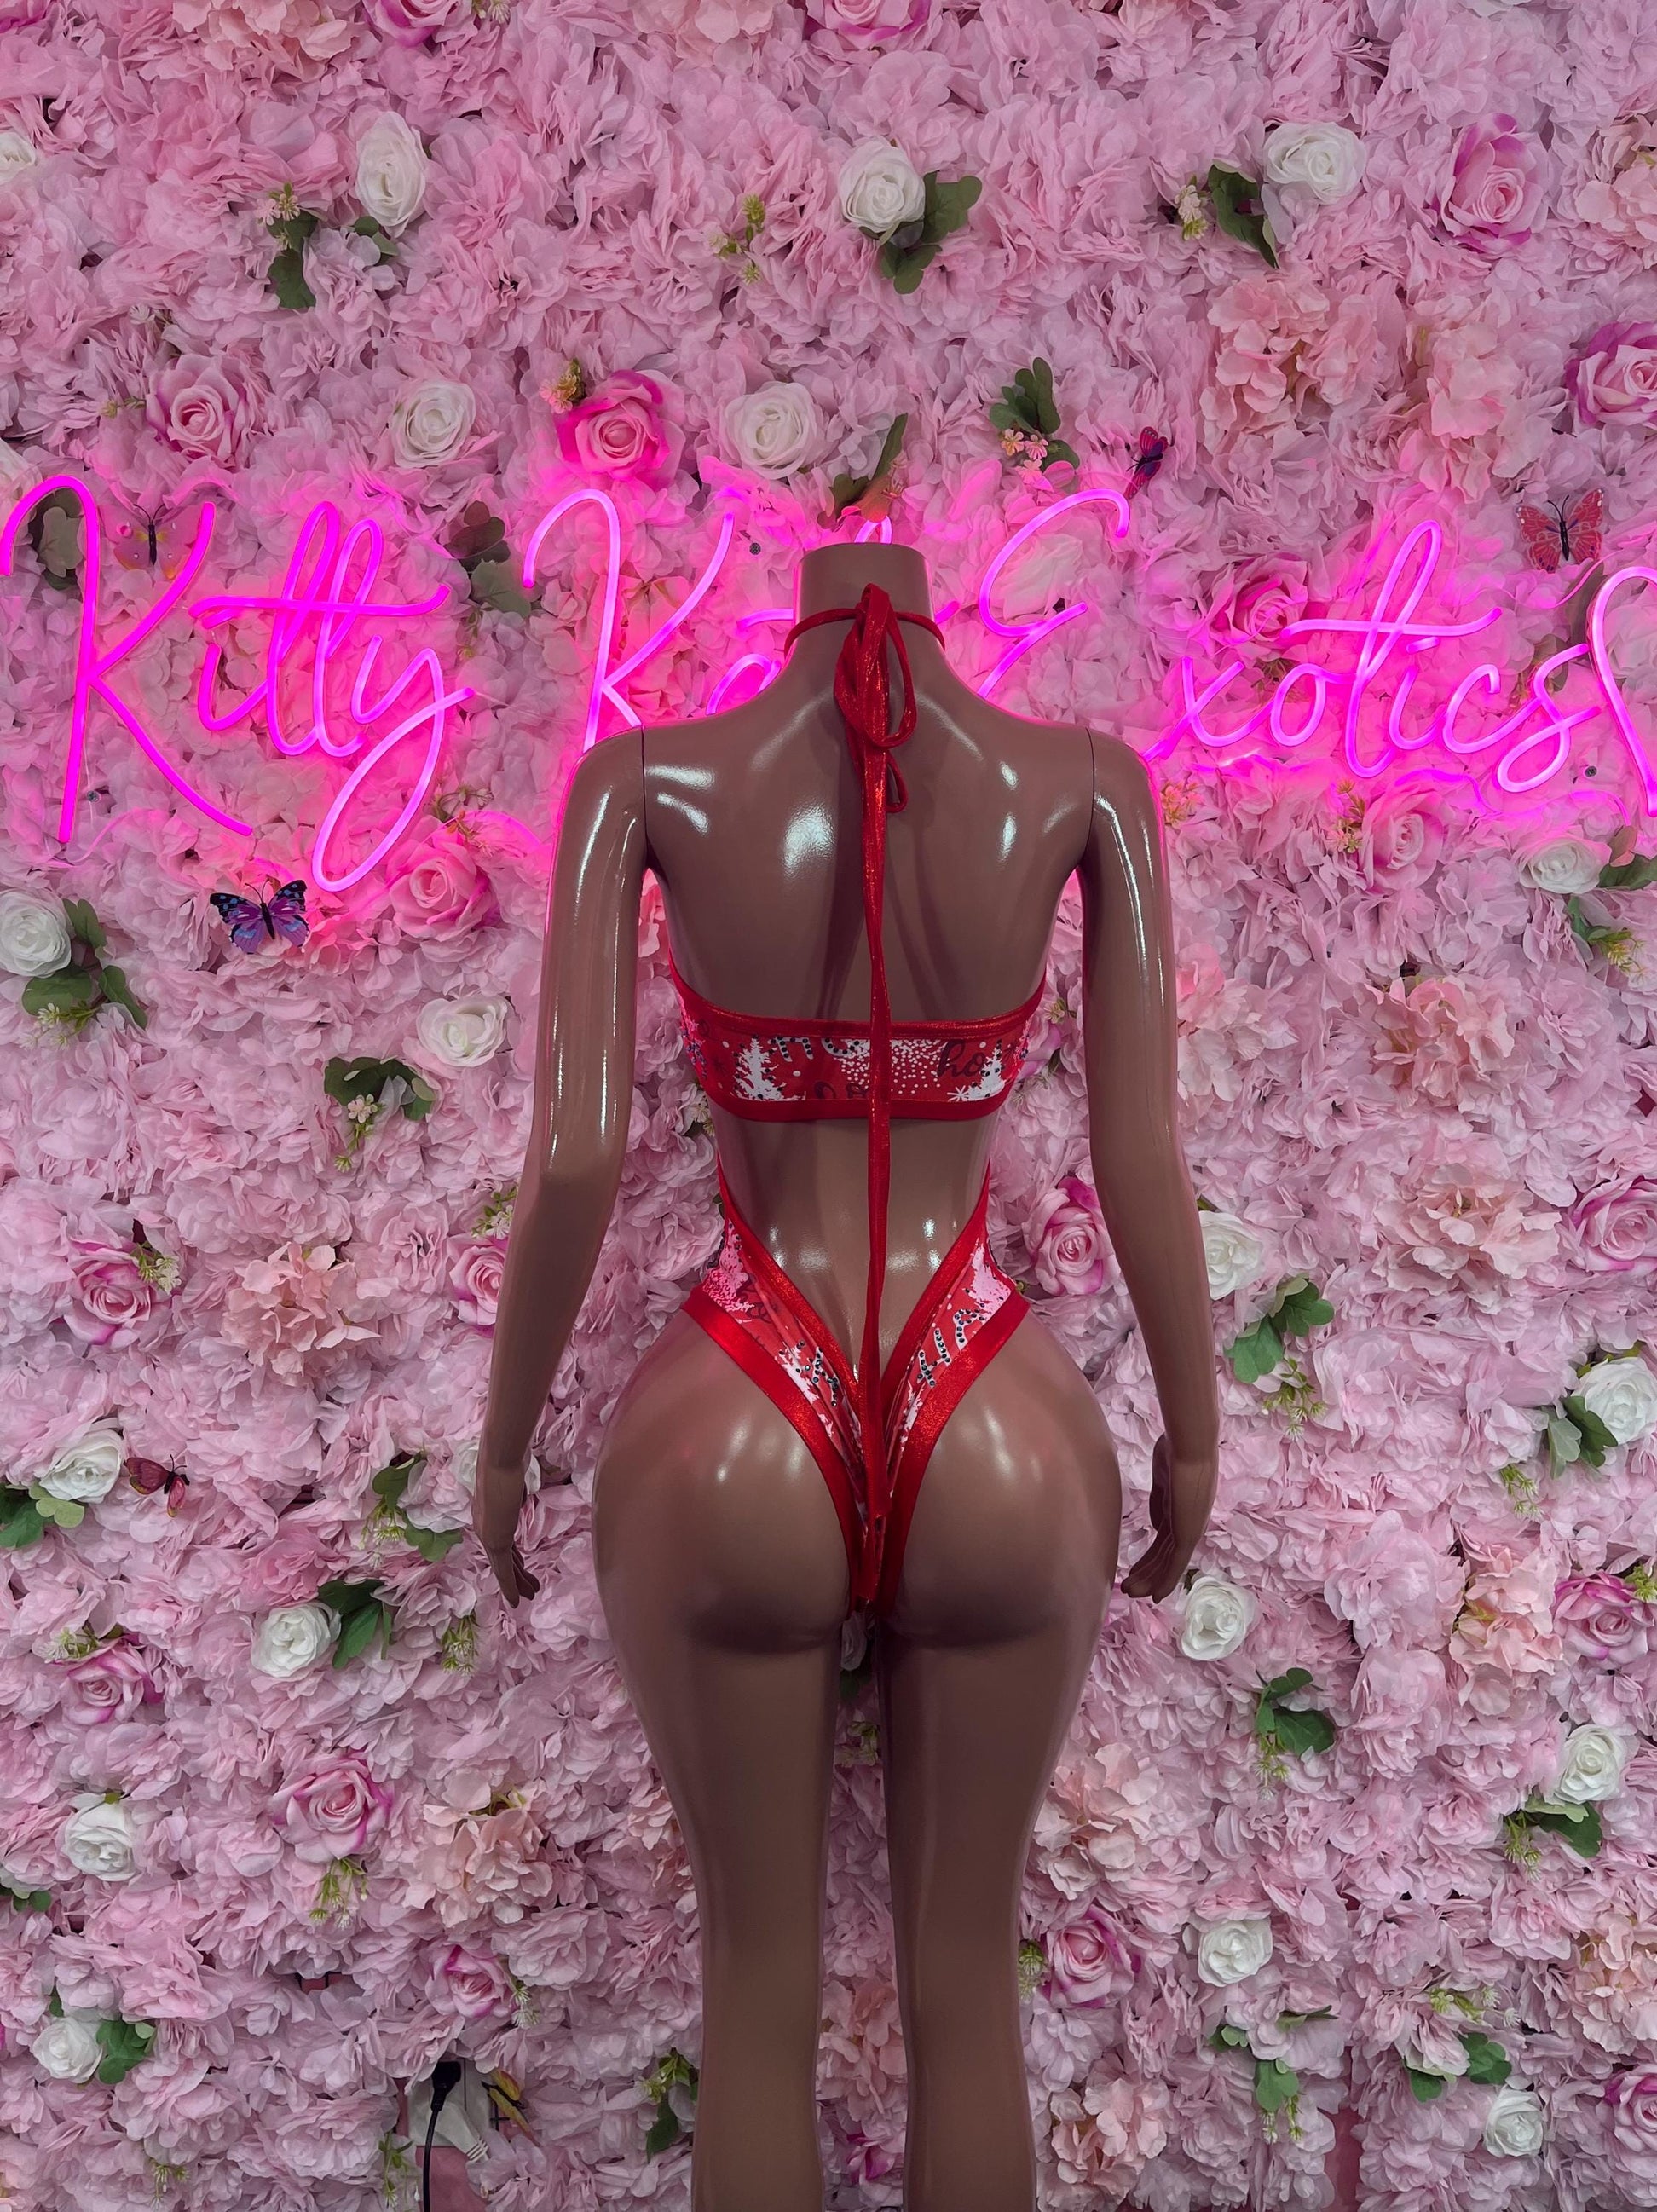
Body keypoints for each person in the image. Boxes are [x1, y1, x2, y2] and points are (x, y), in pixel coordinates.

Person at [473, 538, 1219, 2210]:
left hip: (740, 1407)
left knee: (756, 1990)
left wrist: (506, 1441)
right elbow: (1139, 1151)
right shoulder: (1082, 784)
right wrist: (1190, 1436)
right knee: (966, 1988)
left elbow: (577, 1153)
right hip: (990, 1412)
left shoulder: (645, 780)